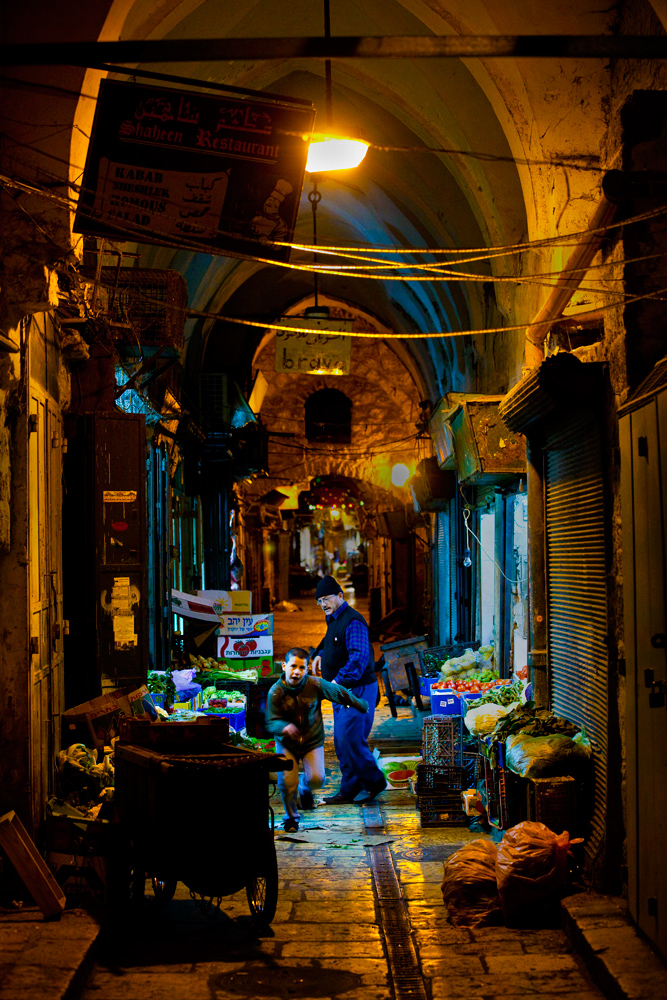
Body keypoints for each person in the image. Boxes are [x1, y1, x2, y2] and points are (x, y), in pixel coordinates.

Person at [265, 646, 369, 832]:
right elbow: (270, 721)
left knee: (317, 779)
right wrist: (283, 727)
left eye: (302, 668)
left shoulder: (315, 685)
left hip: (312, 741)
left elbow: (338, 692)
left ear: (307, 670)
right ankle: (291, 818)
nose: (297, 671)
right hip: (286, 744)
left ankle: (305, 788)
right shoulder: (275, 692)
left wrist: (359, 703)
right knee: (287, 784)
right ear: (284, 666)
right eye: (293, 666)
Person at [311, 576, 387, 805]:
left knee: (350, 738)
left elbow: (360, 658)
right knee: (342, 741)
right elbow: (330, 642)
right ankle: (349, 789)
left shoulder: (353, 621)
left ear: (340, 596)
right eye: (319, 601)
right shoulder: (333, 618)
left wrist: (337, 682)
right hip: (341, 691)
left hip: (357, 689)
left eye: (326, 599)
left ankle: (375, 782)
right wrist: (319, 656)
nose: (323, 604)